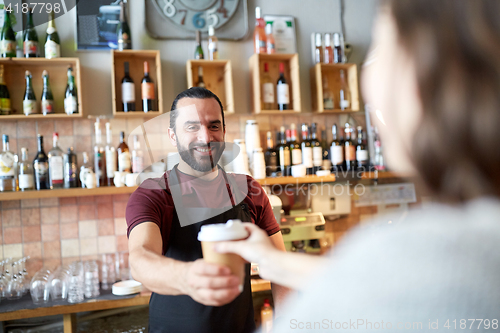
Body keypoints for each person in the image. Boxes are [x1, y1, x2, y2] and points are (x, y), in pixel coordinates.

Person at [216, 0, 500, 331]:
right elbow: (384, 281)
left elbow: (387, 281)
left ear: (425, 79)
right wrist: (271, 260)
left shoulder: (421, 253)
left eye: (381, 50)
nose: (367, 81)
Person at [126, 87, 288, 333]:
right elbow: (140, 260)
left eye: (214, 126)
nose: (205, 137)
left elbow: (280, 268)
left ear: (224, 131)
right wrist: (189, 277)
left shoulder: (248, 189)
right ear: (173, 135)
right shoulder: (154, 194)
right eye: (192, 127)